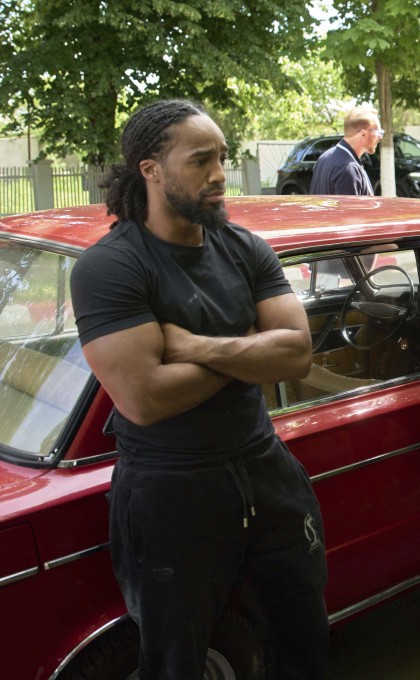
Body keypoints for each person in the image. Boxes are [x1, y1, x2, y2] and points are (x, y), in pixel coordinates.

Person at [70, 99, 329, 679]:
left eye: (223, 158)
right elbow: (145, 398)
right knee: (176, 659)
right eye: (201, 160)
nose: (219, 174)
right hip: (170, 488)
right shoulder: (111, 268)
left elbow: (296, 353)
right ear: (151, 168)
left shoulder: (244, 248)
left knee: (304, 637)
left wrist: (195, 346)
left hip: (264, 468)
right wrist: (248, 349)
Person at [309, 107, 383, 195]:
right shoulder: (349, 169)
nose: (380, 137)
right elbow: (349, 209)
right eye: (377, 132)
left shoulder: (324, 158)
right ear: (363, 134)